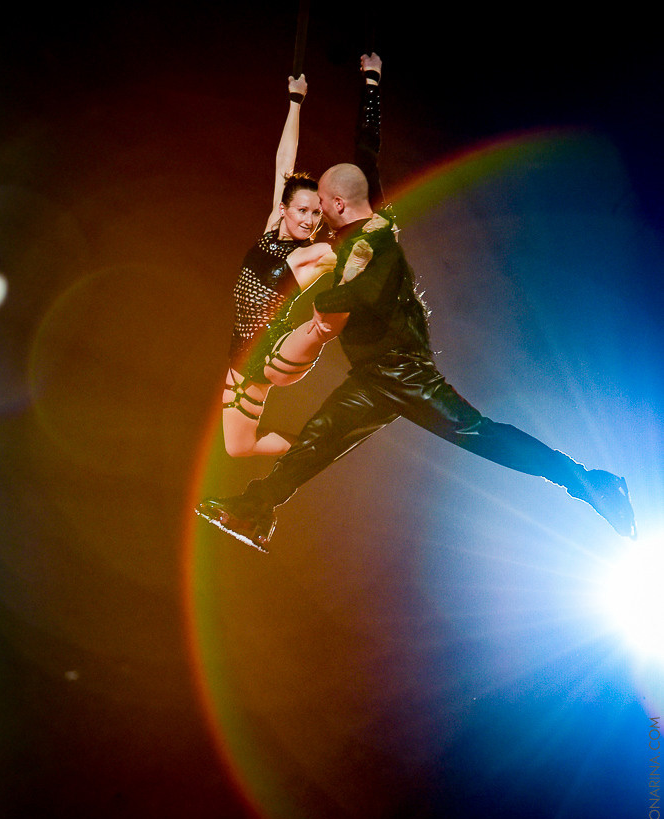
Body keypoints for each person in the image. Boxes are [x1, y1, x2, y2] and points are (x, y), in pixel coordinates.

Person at [197, 54, 636, 550]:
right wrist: (370, 81)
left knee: (483, 436)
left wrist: (320, 316)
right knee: (316, 444)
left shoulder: (367, 242)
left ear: (338, 204)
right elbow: (367, 149)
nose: (319, 213)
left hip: (402, 374)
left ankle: (593, 485)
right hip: (370, 375)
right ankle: (256, 511)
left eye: (322, 203)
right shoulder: (357, 219)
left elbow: (353, 296)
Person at [221, 72, 338, 457]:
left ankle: (322, 328)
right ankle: (311, 449)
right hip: (241, 359)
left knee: (320, 319)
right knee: (238, 448)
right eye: (302, 210)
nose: (309, 220)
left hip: (277, 352)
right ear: (284, 209)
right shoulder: (273, 226)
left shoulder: (313, 253)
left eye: (316, 215)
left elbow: (349, 254)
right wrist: (295, 100)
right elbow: (283, 161)